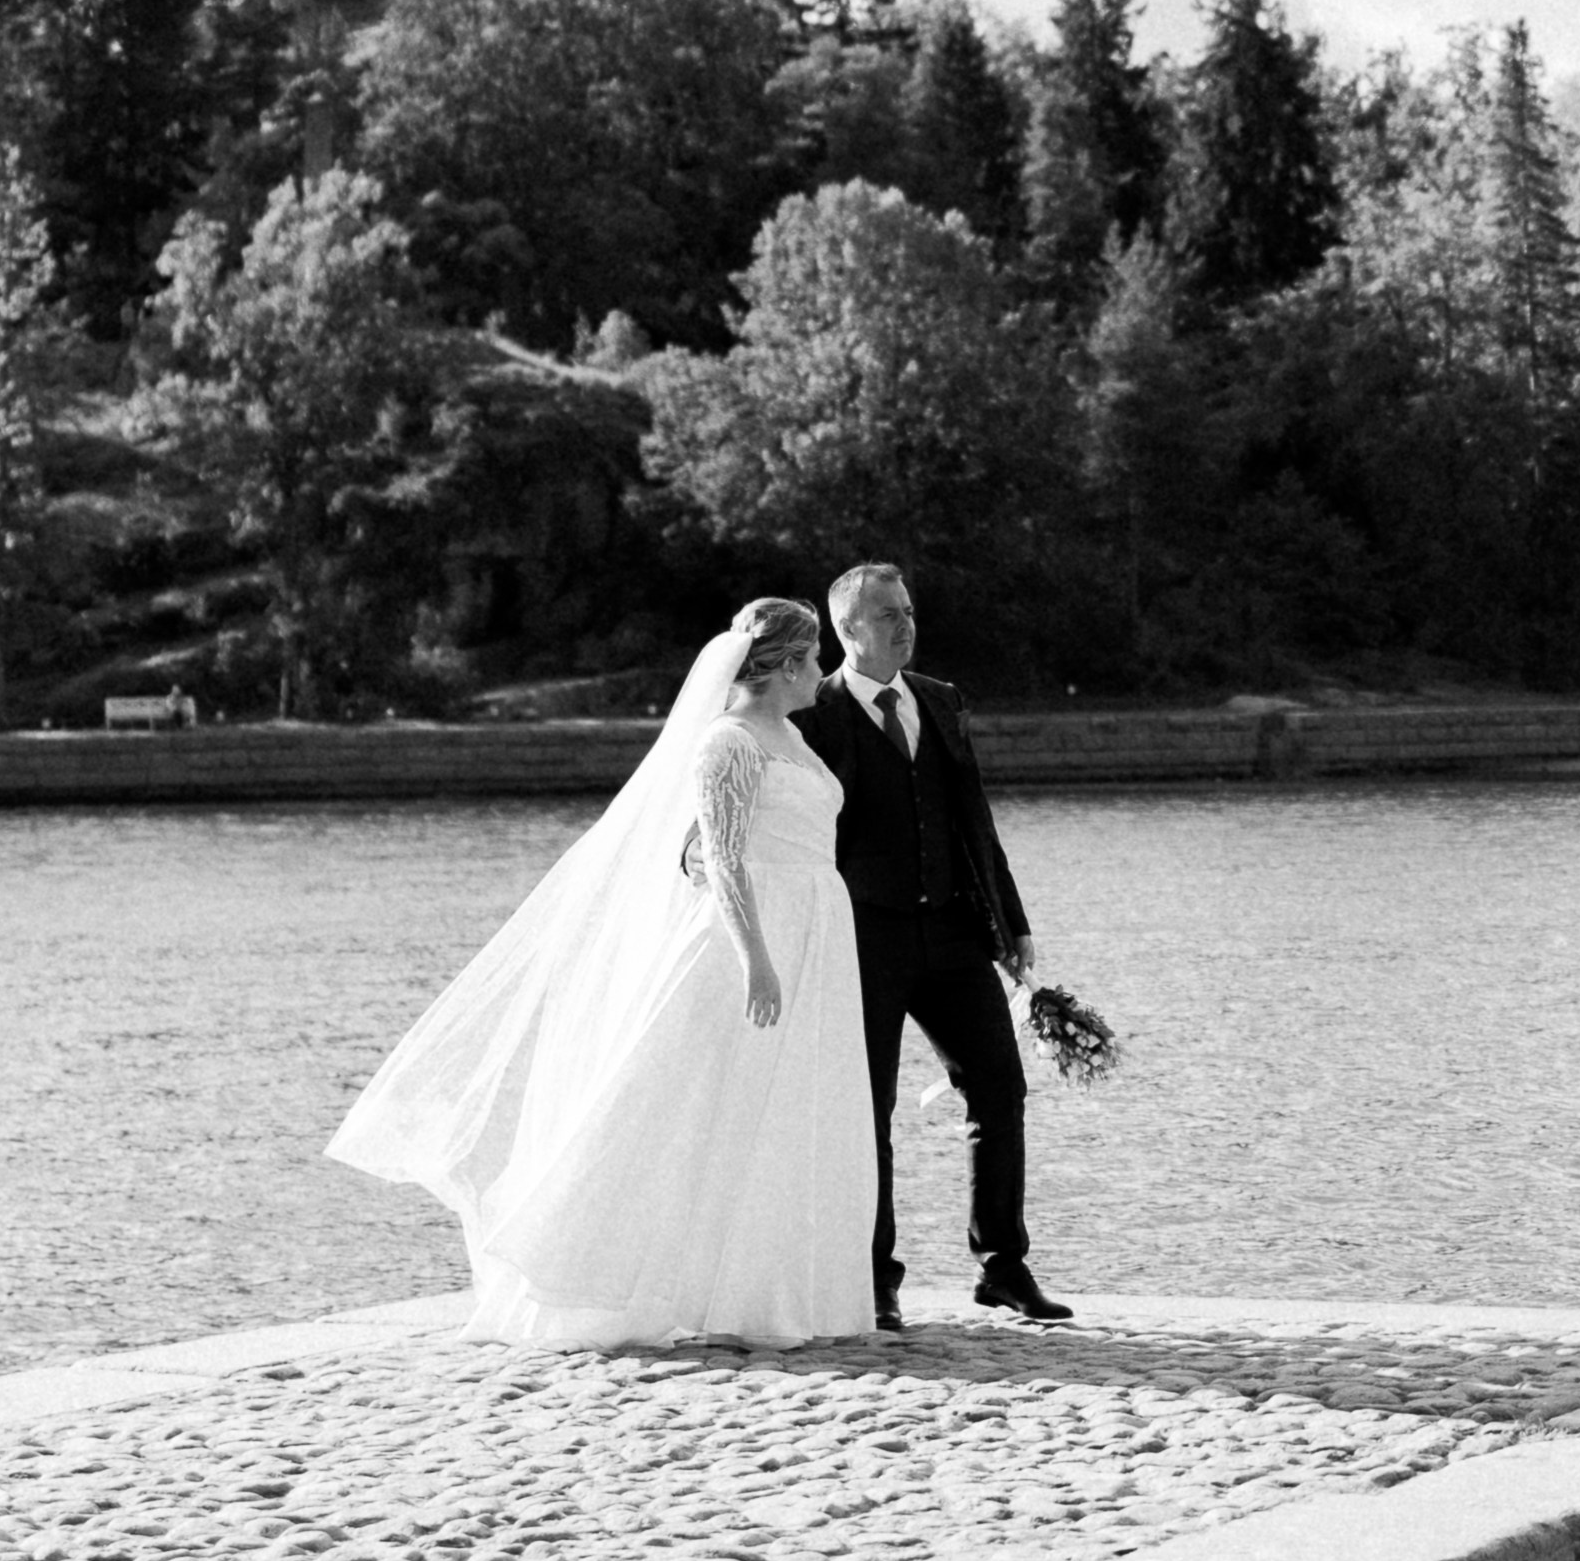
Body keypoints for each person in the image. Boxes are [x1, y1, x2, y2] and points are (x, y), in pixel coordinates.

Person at [325, 598, 874, 1347]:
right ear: (781, 667)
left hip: (816, 928)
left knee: (783, 1113)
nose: (822, 672)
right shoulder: (729, 742)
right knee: (685, 1106)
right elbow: (720, 856)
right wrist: (756, 959)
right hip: (751, 942)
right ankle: (583, 1263)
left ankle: (759, 1293)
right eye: (812, 660)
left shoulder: (789, 736)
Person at [801, 561, 1070, 1331]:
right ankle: (875, 1278)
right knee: (868, 1110)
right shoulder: (812, 716)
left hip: (955, 930)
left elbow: (973, 819)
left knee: (999, 1090)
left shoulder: (941, 701)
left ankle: (1003, 1268)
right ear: (848, 630)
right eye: (887, 615)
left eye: (909, 610)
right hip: (863, 939)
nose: (905, 625)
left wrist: (1011, 922)